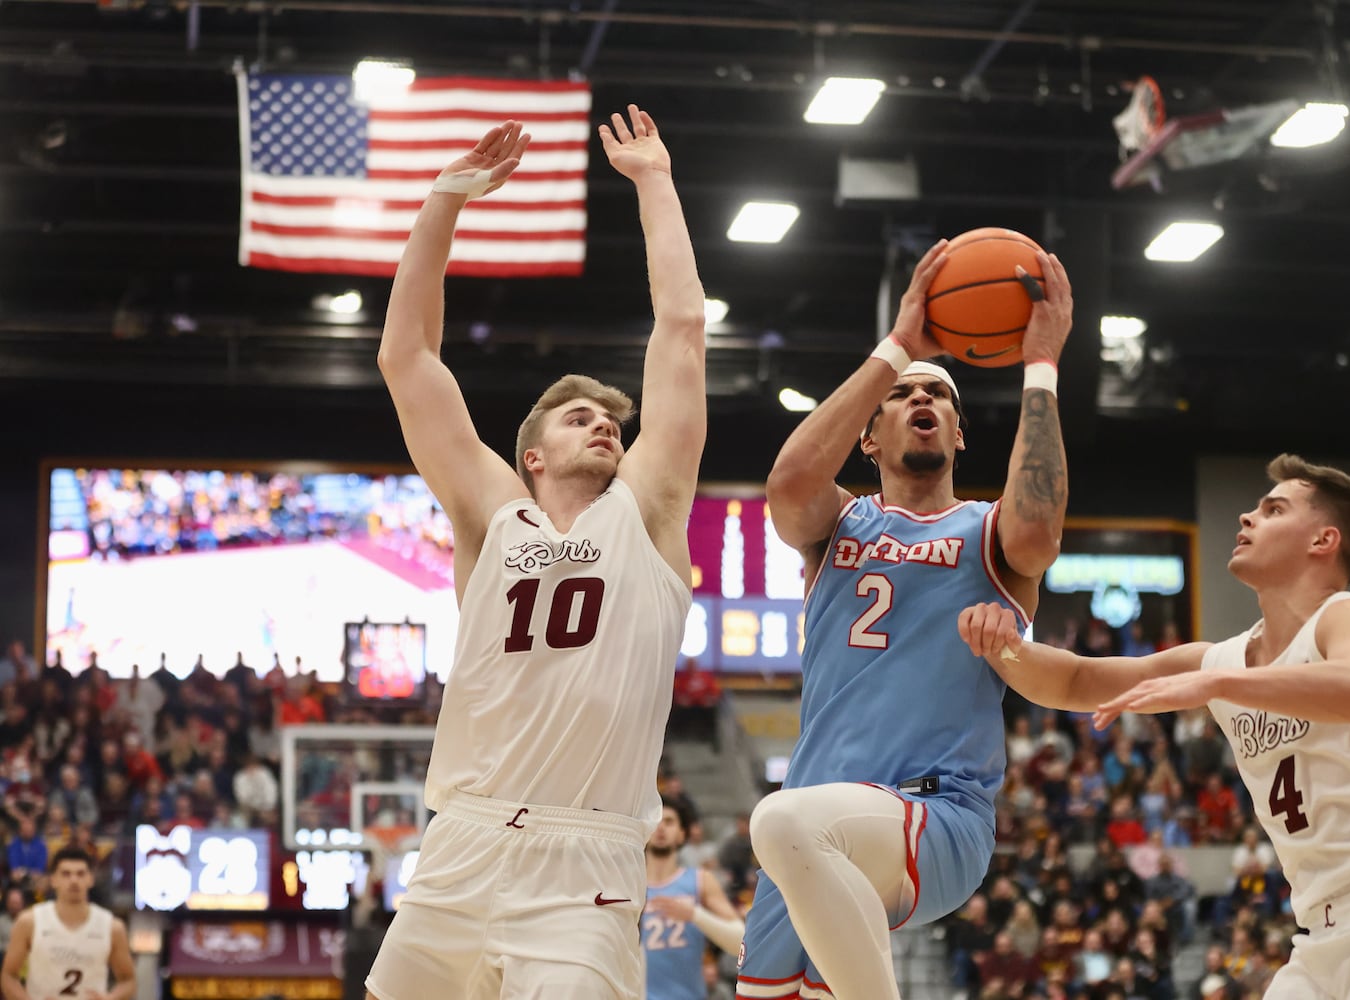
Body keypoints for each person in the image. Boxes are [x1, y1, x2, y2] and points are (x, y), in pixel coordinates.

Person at [363, 106, 707, 1000]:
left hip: (584, 852)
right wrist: (445, 200)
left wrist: (656, 183)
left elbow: (680, 330)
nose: (603, 422)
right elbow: (408, 358)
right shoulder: (492, 515)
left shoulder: (647, 510)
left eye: (611, 420)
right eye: (577, 415)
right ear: (533, 456)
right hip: (462, 840)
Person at [959, 454, 1350, 999]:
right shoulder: (1225, 659)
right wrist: (998, 644)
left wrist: (1220, 687)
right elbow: (1076, 682)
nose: (1246, 517)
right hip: (1319, 943)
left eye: (1273, 509)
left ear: (1322, 541)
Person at [737, 241, 1072, 1000]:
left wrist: (1040, 364)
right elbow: (788, 484)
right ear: (868, 434)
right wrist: (899, 350)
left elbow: (1041, 529)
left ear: (958, 434)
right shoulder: (839, 523)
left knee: (785, 822)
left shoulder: (989, 532)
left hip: (937, 809)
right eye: (903, 396)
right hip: (811, 825)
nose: (924, 400)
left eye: (942, 398)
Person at [1, 846, 136, 1000]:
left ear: (90, 878)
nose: (74, 880)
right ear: (53, 879)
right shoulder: (29, 921)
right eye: (66, 874)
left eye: (80, 874)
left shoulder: (112, 926)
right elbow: (8, 976)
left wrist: (110, 998)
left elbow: (128, 981)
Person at [642, 799, 744, 1000]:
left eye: (669, 821)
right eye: (655, 821)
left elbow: (740, 940)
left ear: (682, 834)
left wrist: (695, 915)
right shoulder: (629, 884)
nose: (660, 827)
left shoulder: (699, 880)